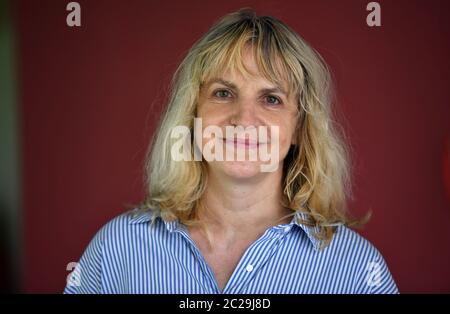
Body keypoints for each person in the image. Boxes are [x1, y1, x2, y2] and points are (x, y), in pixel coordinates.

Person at [64, 9, 398, 294]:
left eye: (271, 99)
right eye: (223, 93)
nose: (243, 119)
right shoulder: (118, 248)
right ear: (194, 113)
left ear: (298, 128)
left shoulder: (356, 269)